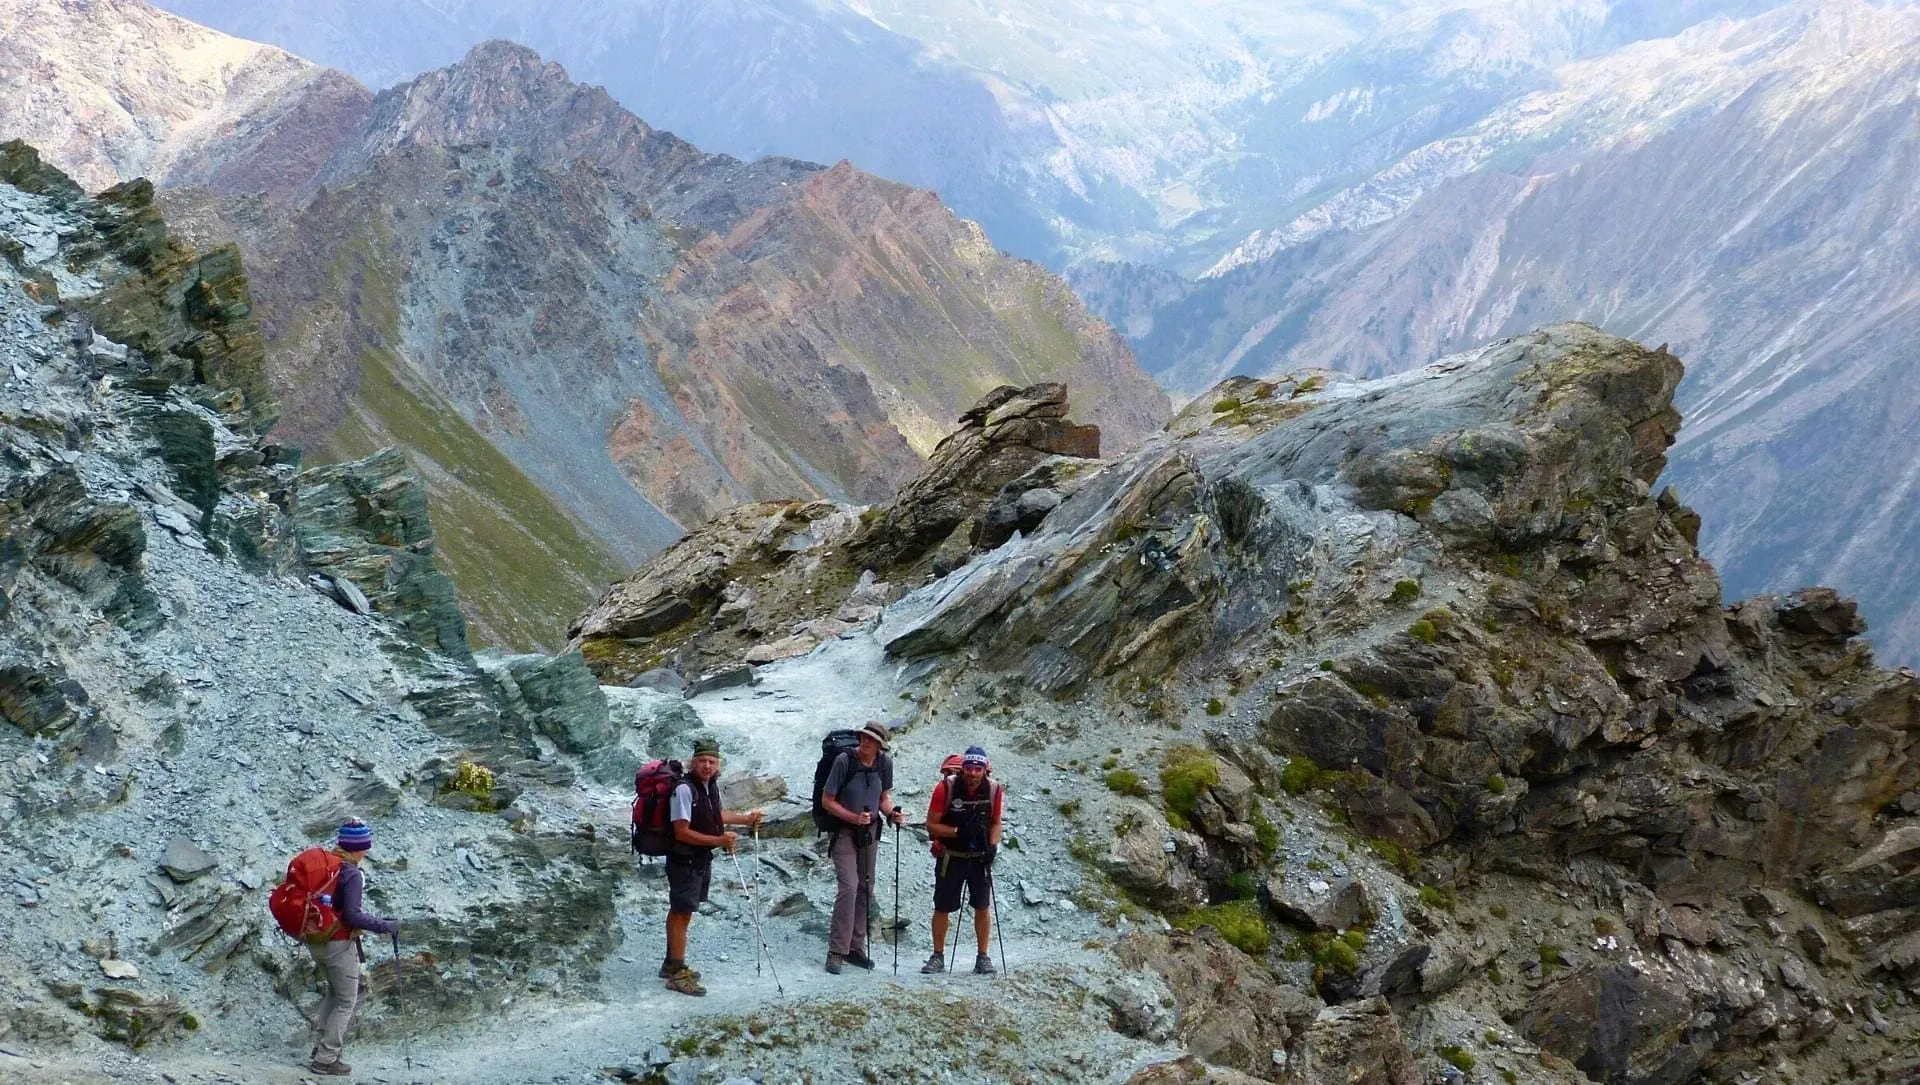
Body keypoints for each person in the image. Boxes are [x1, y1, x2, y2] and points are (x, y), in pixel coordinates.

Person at [664, 736, 764, 995]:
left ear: (718, 765)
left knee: (683, 910)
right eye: (702, 761)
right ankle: (677, 971)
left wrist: (745, 820)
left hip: (697, 858)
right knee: (681, 911)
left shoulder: (709, 787)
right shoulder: (684, 789)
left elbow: (715, 815)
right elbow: (681, 831)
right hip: (684, 858)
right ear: (693, 762)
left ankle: (671, 964)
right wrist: (719, 840)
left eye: (712, 761)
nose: (707, 766)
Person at [308, 818, 399, 1076]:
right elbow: (352, 916)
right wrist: (385, 925)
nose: (367, 851)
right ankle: (326, 1058)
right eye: (365, 846)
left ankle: (320, 1048)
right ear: (358, 847)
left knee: (335, 993)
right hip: (337, 944)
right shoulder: (351, 873)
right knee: (348, 999)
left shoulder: (329, 864)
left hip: (315, 940)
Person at [819, 719, 906, 974]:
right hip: (845, 831)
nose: (865, 743)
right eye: (863, 738)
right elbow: (827, 800)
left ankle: (855, 947)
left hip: (869, 833)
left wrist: (892, 815)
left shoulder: (884, 764)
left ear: (880, 746)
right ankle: (837, 950)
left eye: (871, 740)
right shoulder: (844, 761)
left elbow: (883, 798)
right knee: (849, 886)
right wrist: (853, 818)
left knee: (866, 888)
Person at [921, 746, 1004, 975]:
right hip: (952, 856)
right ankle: (937, 956)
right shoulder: (944, 789)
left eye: (978, 769)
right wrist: (958, 832)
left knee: (982, 906)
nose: (973, 773)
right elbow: (931, 824)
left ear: (985, 769)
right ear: (963, 768)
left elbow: (996, 822)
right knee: (942, 906)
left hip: (980, 857)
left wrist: (993, 846)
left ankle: (983, 957)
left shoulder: (994, 790)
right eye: (969, 768)